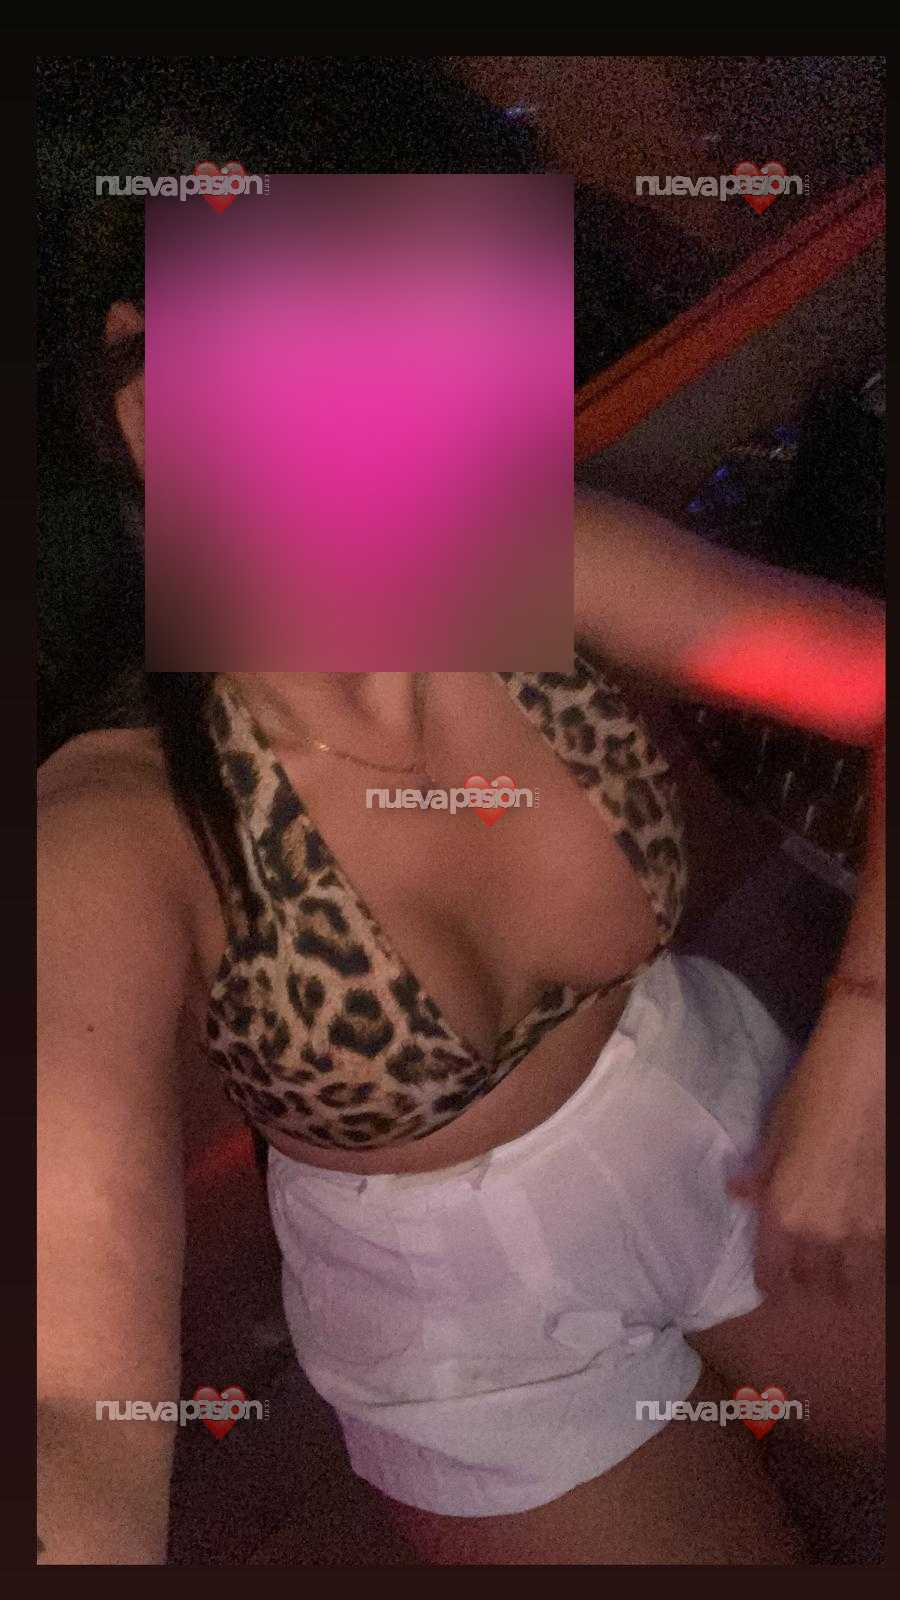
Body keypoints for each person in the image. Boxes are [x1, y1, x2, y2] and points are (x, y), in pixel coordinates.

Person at [38, 61, 885, 1567]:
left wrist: (862, 1052)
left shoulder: (538, 558)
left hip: (717, 1111)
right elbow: (75, 1415)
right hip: (468, 1335)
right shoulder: (120, 824)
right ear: (151, 403)